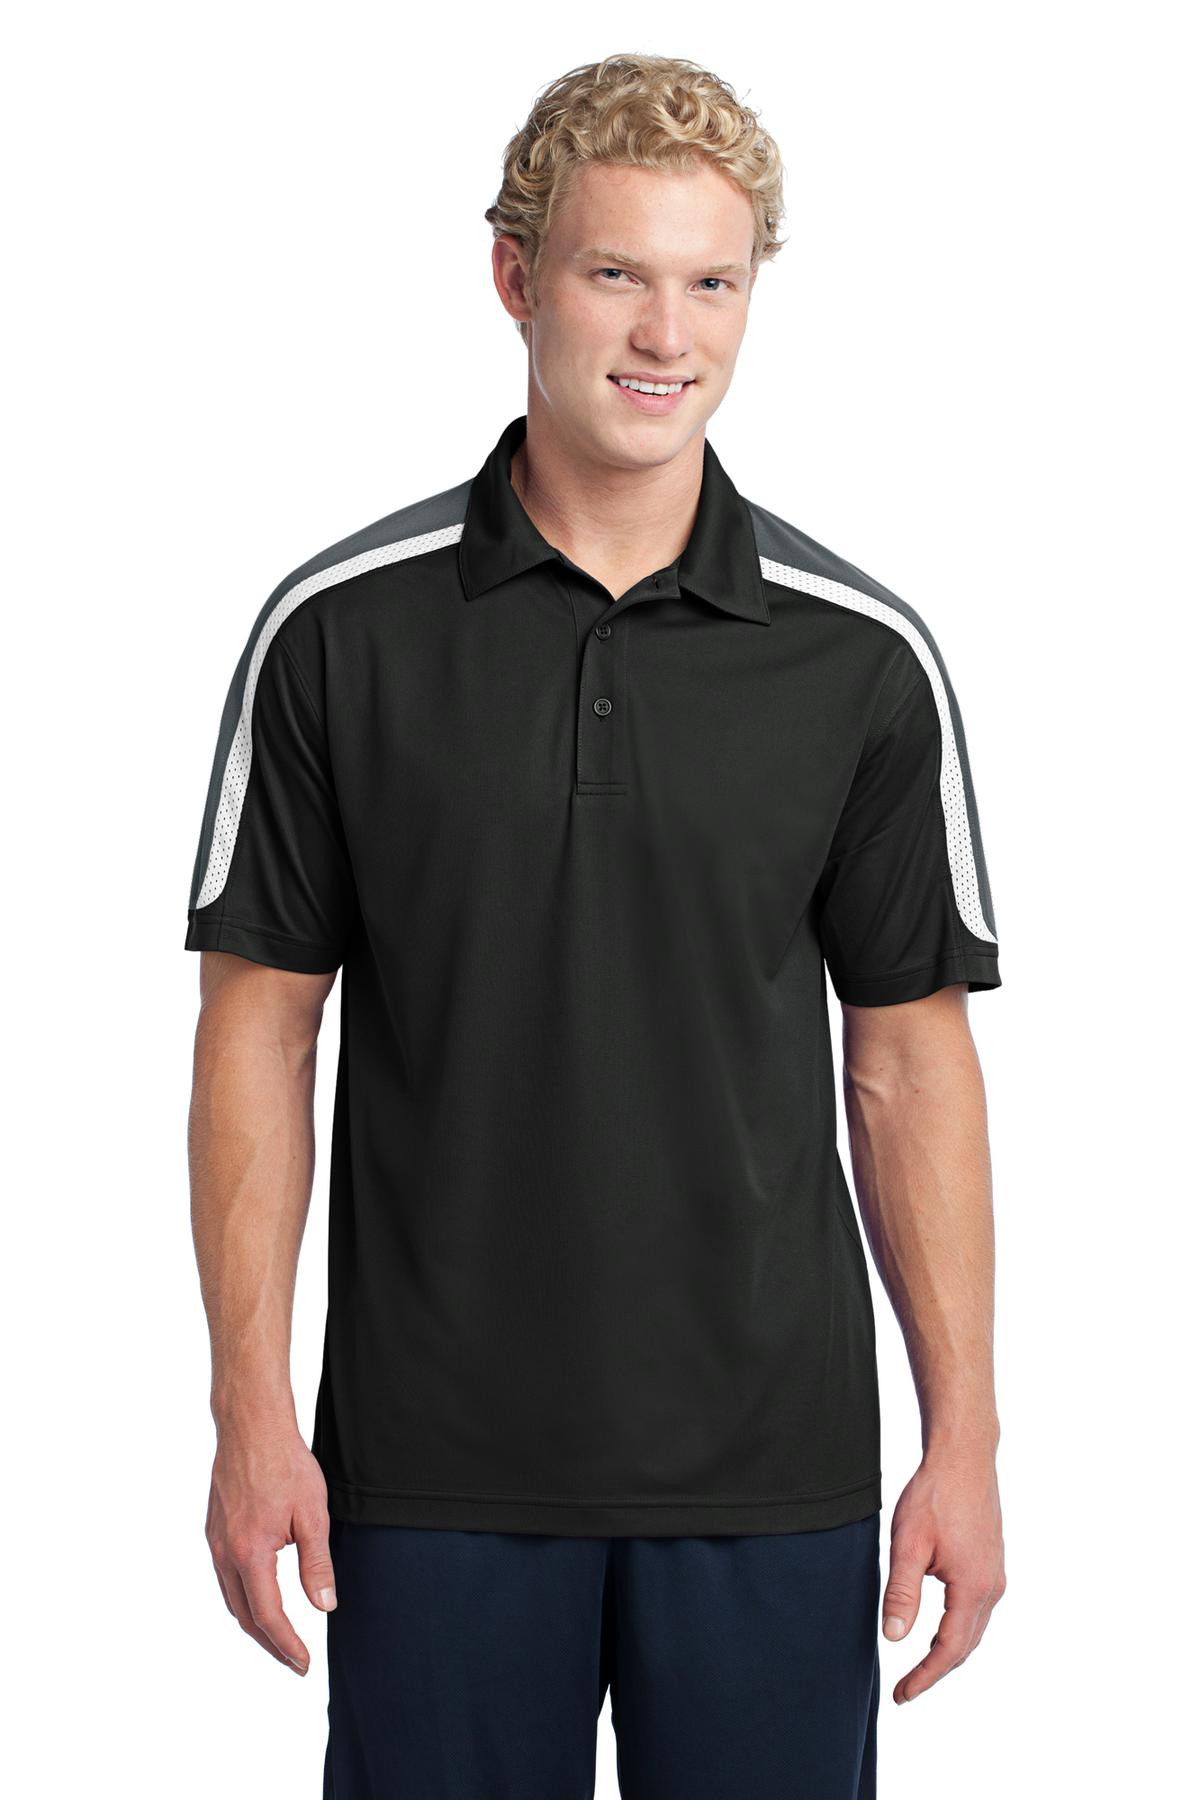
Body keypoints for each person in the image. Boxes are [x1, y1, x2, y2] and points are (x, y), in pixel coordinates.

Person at [185, 51, 1006, 1799]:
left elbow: (908, 1066)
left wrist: (968, 1437)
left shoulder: (860, 659)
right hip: (430, 1475)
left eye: (713, 282)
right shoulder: (341, 634)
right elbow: (259, 1029)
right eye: (615, 271)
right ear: (516, 276)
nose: (664, 334)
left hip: (771, 1475)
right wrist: (249, 1409)